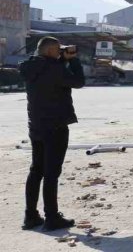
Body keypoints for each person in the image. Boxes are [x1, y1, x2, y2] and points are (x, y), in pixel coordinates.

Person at [18, 36, 85, 231]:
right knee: (51, 173)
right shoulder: (55, 69)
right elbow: (78, 81)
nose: (59, 52)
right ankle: (52, 217)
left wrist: (62, 59)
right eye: (57, 49)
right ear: (48, 51)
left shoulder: (31, 67)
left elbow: (48, 72)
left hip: (36, 126)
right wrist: (72, 59)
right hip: (55, 127)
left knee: (36, 170)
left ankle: (30, 216)